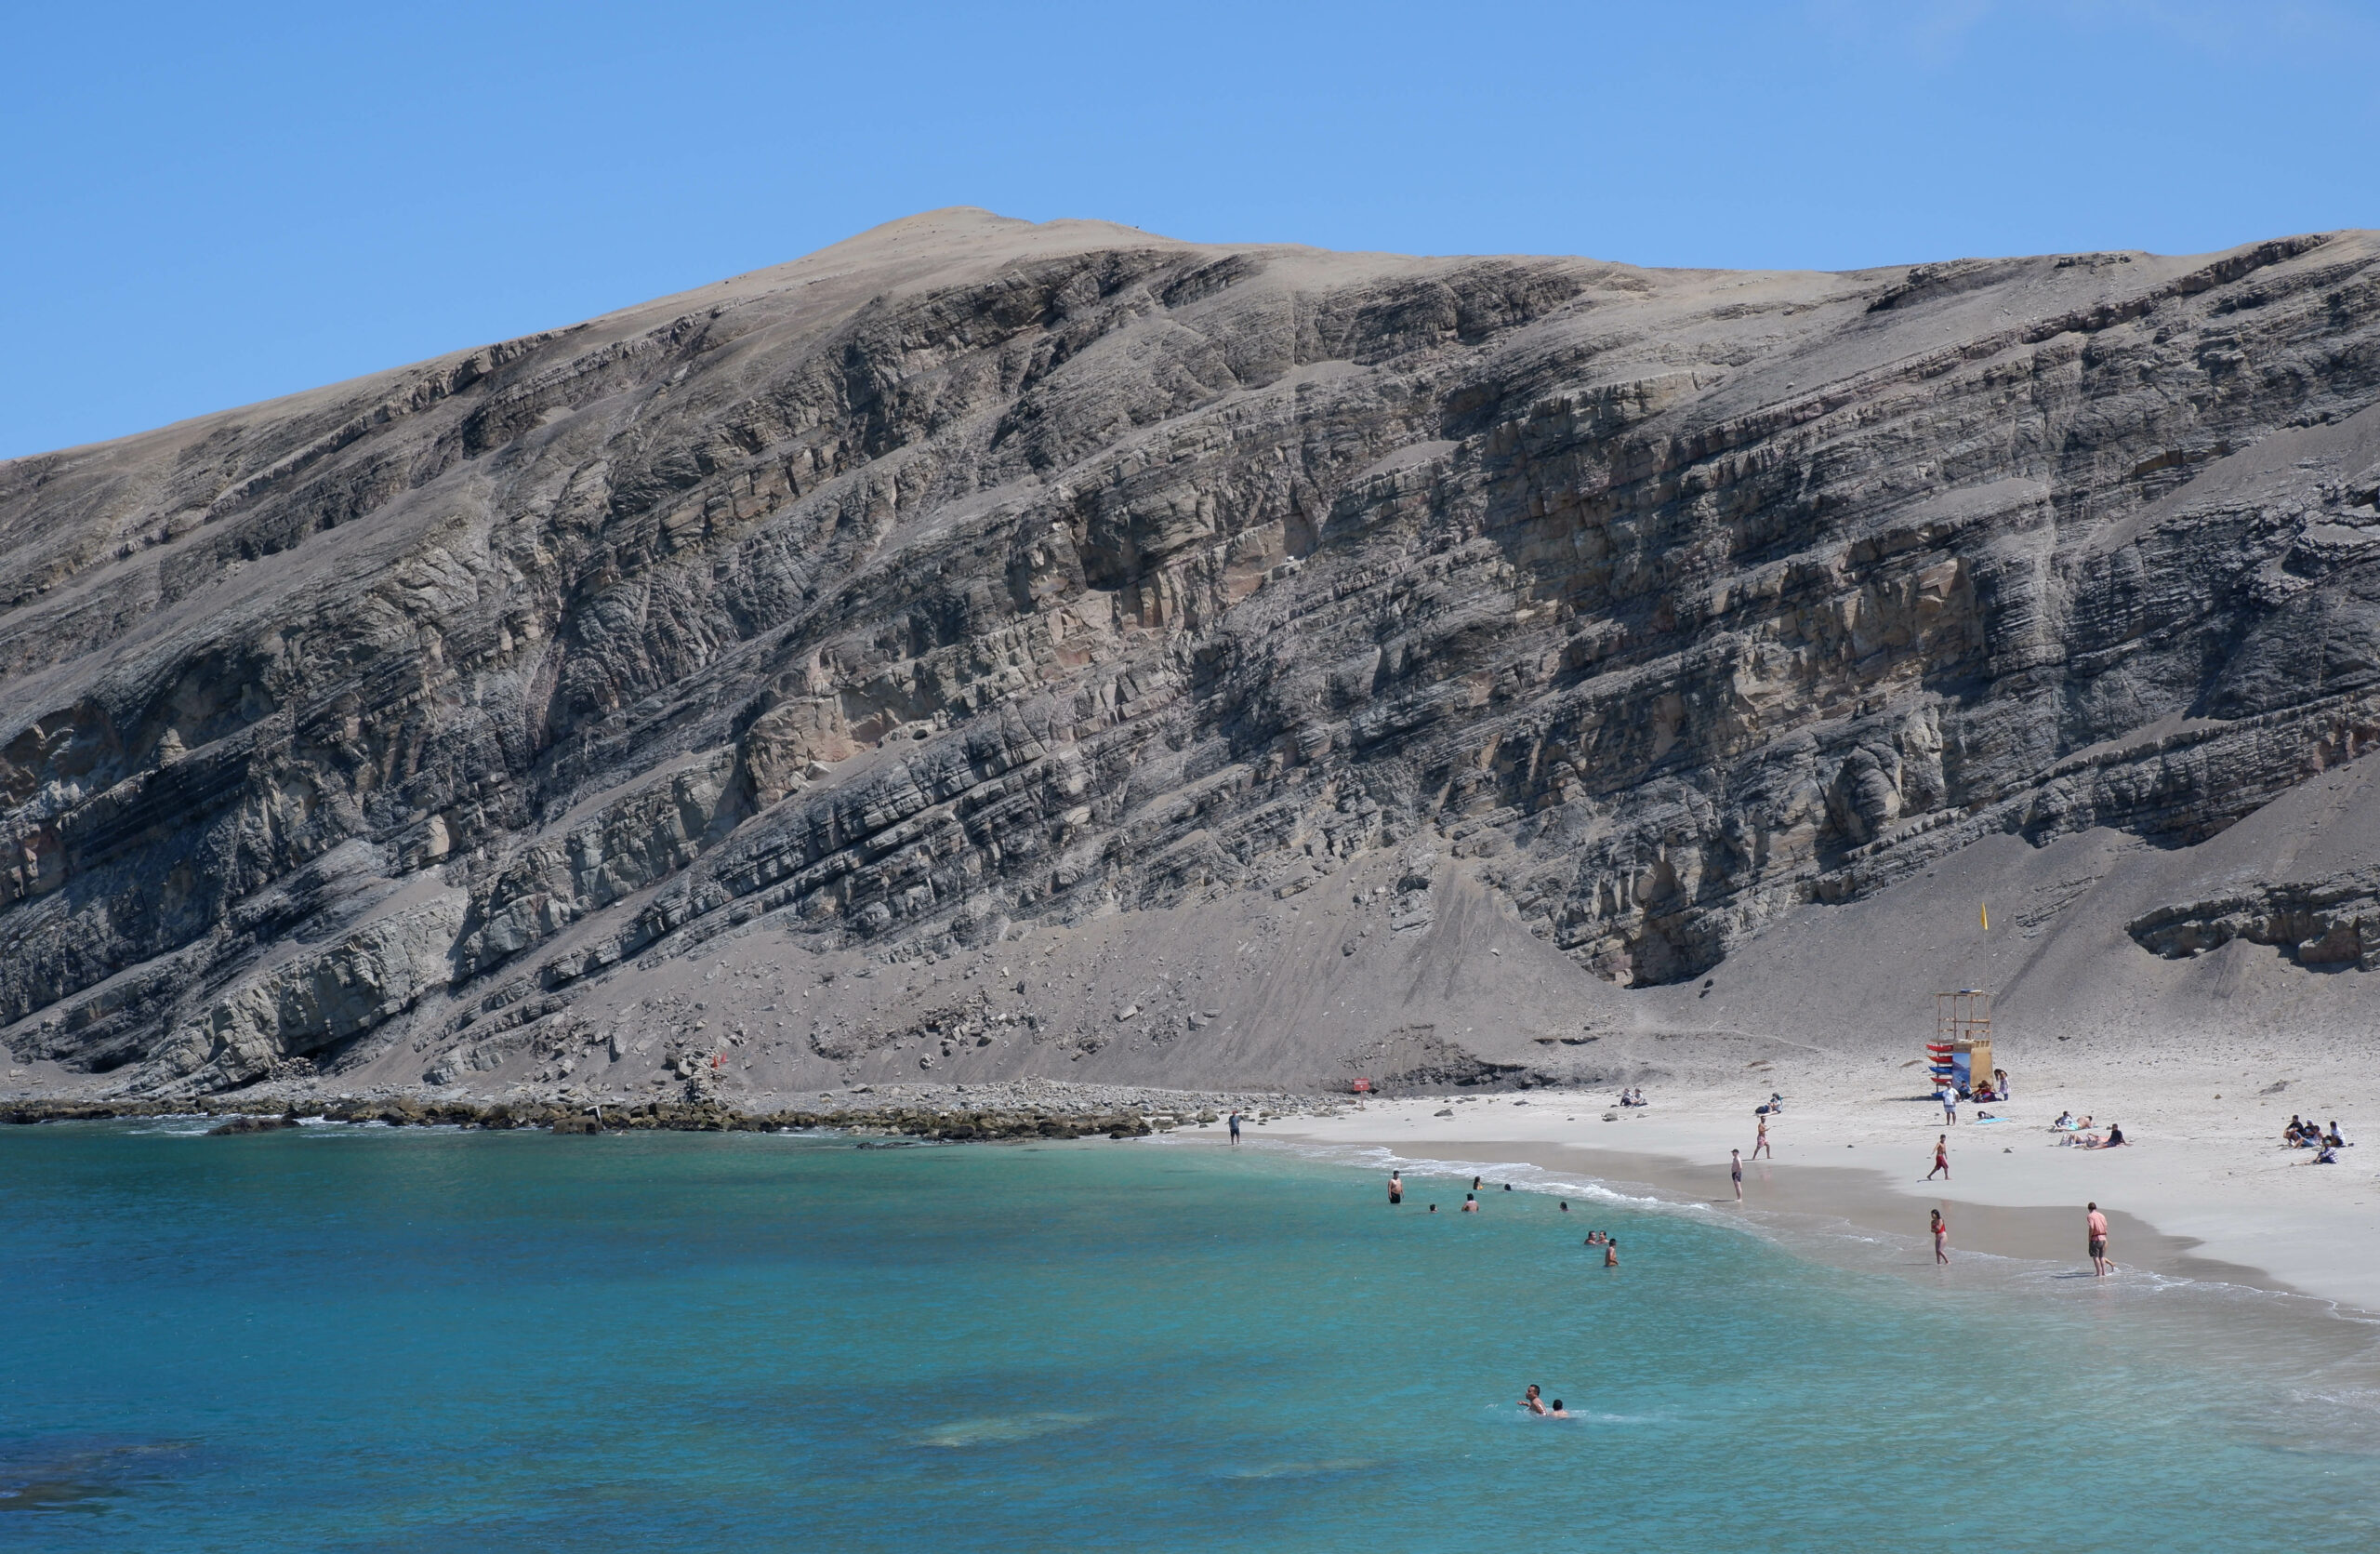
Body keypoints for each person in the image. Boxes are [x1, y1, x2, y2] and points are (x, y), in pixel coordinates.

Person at [2087, 1202, 2110, 1277]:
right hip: (2103, 1238)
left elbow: (2092, 1227)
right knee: (2102, 1257)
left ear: (2089, 1209)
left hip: (2095, 1238)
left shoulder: (2090, 1216)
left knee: (2095, 1257)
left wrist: (2089, 1237)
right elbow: (2105, 1225)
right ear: (2096, 1208)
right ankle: (2104, 1273)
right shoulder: (2101, 1215)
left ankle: (2099, 1273)